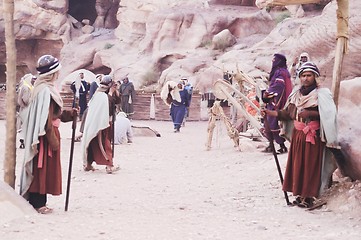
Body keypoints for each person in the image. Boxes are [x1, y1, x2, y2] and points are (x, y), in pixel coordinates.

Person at [263, 62, 338, 208]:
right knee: (298, 165)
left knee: (311, 165)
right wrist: (270, 113)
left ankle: (309, 197)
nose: (305, 78)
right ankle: (299, 195)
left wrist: (310, 113)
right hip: (299, 135)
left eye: (309, 75)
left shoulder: (322, 94)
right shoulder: (296, 94)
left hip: (313, 135)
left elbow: (329, 115)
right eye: (303, 75)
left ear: (315, 76)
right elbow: (287, 114)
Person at [20, 55, 76, 214]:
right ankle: (38, 203)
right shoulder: (45, 91)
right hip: (44, 136)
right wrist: (53, 141)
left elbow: (53, 113)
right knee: (41, 169)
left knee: (42, 169)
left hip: (44, 134)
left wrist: (70, 114)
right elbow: (46, 119)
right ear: (52, 74)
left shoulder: (42, 88)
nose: (58, 74)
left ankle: (39, 202)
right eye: (57, 72)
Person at [81, 75, 121, 173]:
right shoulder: (102, 96)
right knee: (105, 143)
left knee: (93, 142)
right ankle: (109, 165)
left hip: (97, 123)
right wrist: (111, 93)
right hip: (103, 123)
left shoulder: (98, 94)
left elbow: (117, 102)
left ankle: (88, 164)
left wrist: (114, 92)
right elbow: (109, 107)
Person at [262, 53, 292, 154]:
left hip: (277, 102)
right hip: (275, 101)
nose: (273, 62)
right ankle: (271, 145)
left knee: (273, 124)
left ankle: (281, 146)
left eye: (275, 60)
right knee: (270, 123)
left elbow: (278, 86)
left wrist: (267, 94)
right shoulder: (283, 72)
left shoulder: (280, 72)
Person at [17, 74, 36, 149]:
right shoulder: (26, 87)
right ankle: (23, 141)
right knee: (25, 125)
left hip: (26, 109)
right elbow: (26, 99)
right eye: (32, 79)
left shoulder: (28, 86)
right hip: (26, 109)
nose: (33, 81)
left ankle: (24, 141)